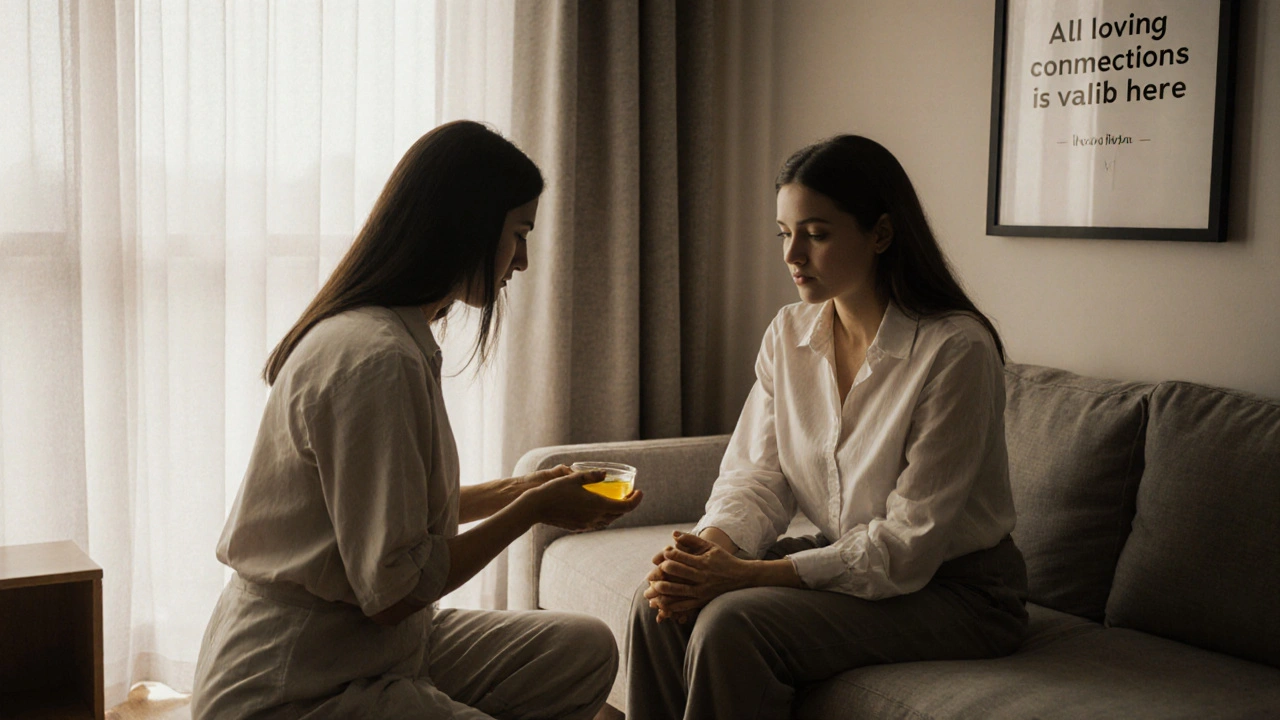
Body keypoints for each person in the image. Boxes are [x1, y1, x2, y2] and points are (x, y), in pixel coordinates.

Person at [192, 120, 643, 719]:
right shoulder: (375, 359)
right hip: (298, 683)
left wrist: (524, 488)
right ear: (467, 226)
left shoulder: (392, 336)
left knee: (584, 650)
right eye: (519, 233)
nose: (524, 261)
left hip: (374, 647)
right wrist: (531, 511)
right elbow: (393, 591)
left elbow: (386, 520)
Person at [626, 135, 1028, 719]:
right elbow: (756, 478)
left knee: (731, 626)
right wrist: (704, 558)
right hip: (853, 552)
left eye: (816, 235)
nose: (792, 255)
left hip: (958, 591)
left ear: (881, 235)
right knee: (659, 602)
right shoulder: (789, 334)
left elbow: (909, 545)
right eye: (785, 234)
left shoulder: (955, 350)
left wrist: (744, 575)